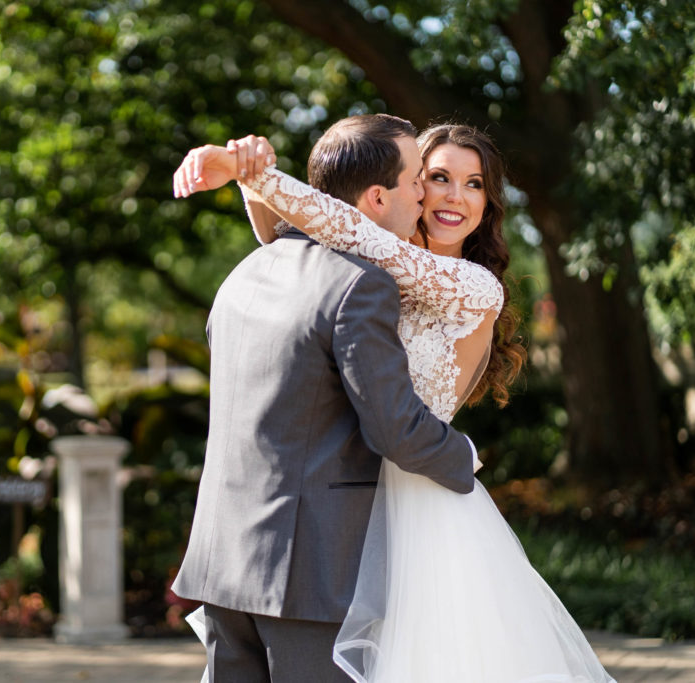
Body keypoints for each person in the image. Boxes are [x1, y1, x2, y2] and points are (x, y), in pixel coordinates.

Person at [177, 119, 616, 681]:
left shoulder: (472, 285)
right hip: (345, 505)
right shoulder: (357, 268)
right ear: (408, 188)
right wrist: (251, 179)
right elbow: (291, 241)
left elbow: (353, 229)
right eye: (436, 177)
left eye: (475, 183)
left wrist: (256, 174)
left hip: (419, 497)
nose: (456, 195)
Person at [170, 114, 480, 683]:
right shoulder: (360, 284)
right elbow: (394, 430)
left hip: (223, 564)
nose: (425, 195)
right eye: (419, 179)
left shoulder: (243, 273)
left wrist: (254, 177)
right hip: (308, 572)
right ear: (378, 195)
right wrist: (466, 459)